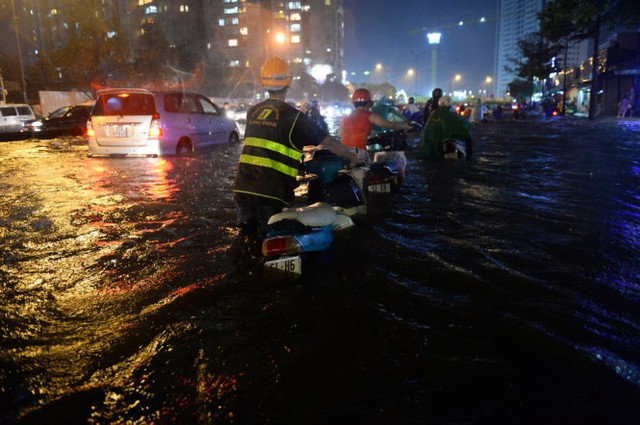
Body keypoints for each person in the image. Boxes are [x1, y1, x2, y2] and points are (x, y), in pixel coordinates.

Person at [233, 57, 358, 238]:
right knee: (268, 236)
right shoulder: (293, 116)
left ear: (263, 82)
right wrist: (352, 156)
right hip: (270, 192)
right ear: (288, 82)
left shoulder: (253, 111)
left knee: (248, 236)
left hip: (242, 188)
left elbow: (266, 147)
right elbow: (328, 142)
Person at [339, 88, 412, 152]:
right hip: (360, 154)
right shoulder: (370, 116)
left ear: (353, 103)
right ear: (369, 103)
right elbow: (392, 125)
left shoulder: (345, 117)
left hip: (345, 154)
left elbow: (340, 134)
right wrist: (406, 126)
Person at [418, 95, 472, 160]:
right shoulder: (450, 115)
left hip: (429, 148)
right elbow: (463, 125)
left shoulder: (434, 113)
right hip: (444, 145)